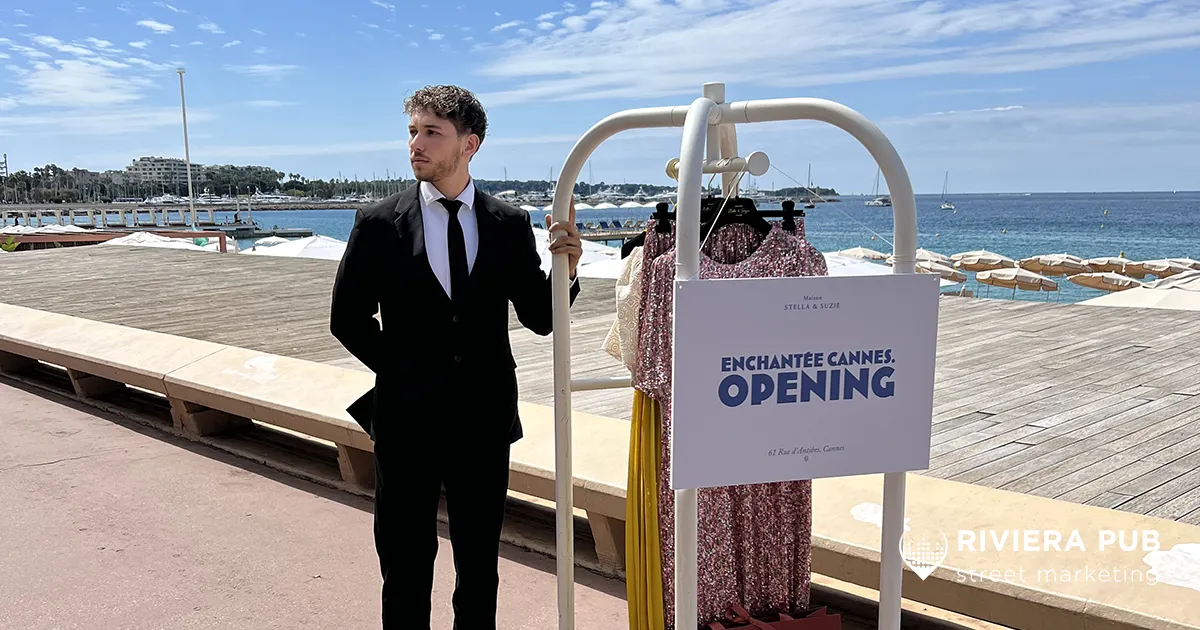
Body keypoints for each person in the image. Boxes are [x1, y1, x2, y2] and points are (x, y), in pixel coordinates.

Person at [329, 84, 584, 630]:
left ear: (469, 145)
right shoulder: (377, 223)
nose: (415, 145)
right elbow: (347, 320)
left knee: (479, 569)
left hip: (483, 420)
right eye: (412, 132)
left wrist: (569, 268)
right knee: (404, 567)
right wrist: (401, 371)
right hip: (404, 421)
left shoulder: (507, 224)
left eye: (430, 133)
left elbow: (541, 317)